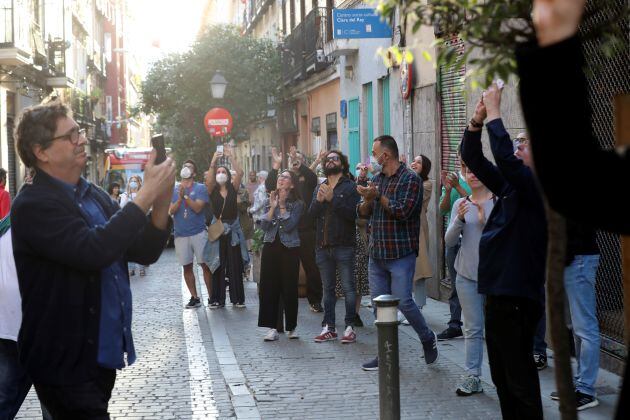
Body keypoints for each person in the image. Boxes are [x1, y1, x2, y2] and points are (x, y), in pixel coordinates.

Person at [10, 101, 175, 418]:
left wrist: (160, 200)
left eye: (79, 132)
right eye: (71, 136)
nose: (82, 140)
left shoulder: (94, 194)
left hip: (99, 355)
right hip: (63, 359)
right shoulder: (33, 204)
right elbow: (93, 250)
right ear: (41, 151)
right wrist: (144, 195)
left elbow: (144, 251)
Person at [515, 0, 622, 412]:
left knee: (586, 326)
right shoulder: (553, 177)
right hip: (567, 260)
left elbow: (576, 184)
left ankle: (587, 387)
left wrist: (552, 42)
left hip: (580, 259)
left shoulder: (563, 177)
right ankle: (580, 383)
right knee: (576, 326)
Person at [461, 88, 547, 419]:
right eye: (518, 141)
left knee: (519, 379)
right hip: (497, 296)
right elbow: (474, 158)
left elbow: (504, 157)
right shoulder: (512, 187)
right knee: (502, 378)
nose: (518, 147)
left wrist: (496, 111)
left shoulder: (536, 187)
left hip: (516, 299)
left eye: (525, 144)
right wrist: (477, 120)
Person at [357, 135, 439, 371]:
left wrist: (377, 197)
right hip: (377, 254)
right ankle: (385, 355)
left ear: (387, 154)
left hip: (401, 253)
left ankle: (426, 337)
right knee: (378, 306)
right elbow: (365, 213)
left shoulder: (410, 179)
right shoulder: (376, 179)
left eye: (375, 153)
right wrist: (365, 200)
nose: (373, 158)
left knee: (403, 301)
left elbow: (403, 211)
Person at [445, 166, 495, 397]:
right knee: (473, 328)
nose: (472, 173)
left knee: (497, 330)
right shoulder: (460, 204)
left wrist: (487, 222)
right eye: (467, 169)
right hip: (466, 275)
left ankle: (503, 377)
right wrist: (459, 220)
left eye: (476, 169)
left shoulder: (499, 201)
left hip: (496, 277)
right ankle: (473, 376)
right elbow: (449, 240)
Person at [309, 150, 361, 344]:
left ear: (342, 163)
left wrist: (334, 199)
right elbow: (310, 215)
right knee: (327, 289)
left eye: (335, 159)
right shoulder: (320, 187)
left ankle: (349, 327)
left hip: (344, 245)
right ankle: (328, 327)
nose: (331, 162)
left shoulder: (350, 187)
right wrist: (319, 201)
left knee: (348, 288)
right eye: (328, 159)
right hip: (322, 246)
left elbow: (353, 214)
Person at [266, 146, 323, 313]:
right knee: (285, 269)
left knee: (311, 266)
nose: (294, 161)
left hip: (305, 231)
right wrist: (276, 165)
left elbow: (312, 178)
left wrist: (301, 166)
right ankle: (284, 301)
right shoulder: (284, 182)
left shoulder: (307, 181)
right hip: (286, 233)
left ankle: (315, 300)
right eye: (292, 159)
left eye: (297, 159)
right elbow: (270, 184)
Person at [258, 170, 304, 341]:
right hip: (271, 246)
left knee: (289, 287)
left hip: (289, 248)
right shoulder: (268, 200)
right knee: (270, 287)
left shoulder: (297, 204)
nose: (281, 179)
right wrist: (272, 207)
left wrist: (283, 205)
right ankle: (272, 328)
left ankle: (291, 327)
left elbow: (290, 225)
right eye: (280, 177)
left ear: (292, 184)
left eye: (285, 177)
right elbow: (263, 226)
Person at [206, 146, 247, 308]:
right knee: (217, 264)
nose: (220, 174)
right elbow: (208, 180)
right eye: (218, 172)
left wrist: (231, 157)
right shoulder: (212, 189)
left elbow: (240, 173)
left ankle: (237, 299)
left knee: (235, 264)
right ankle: (217, 299)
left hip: (233, 229)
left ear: (228, 175)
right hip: (218, 229)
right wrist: (213, 162)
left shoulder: (233, 188)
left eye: (223, 172)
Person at [169, 160, 213, 309]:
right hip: (181, 234)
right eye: (184, 166)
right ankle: (194, 297)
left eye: (189, 168)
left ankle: (212, 297)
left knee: (204, 265)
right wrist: (180, 198)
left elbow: (198, 208)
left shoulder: (200, 188)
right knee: (186, 267)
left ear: (193, 173)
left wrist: (186, 197)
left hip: (198, 232)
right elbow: (171, 211)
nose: (185, 169)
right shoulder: (174, 189)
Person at [436, 157, 469, 340]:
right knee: (455, 284)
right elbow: (442, 209)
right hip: (454, 239)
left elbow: (474, 204)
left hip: (472, 240)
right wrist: (447, 191)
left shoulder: (478, 178)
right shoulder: (453, 177)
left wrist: (457, 186)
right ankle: (455, 323)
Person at [410, 155, 433, 308]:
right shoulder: (411, 179)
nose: (415, 164)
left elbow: (414, 195)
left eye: (419, 162)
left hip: (418, 228)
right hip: (406, 228)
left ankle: (418, 306)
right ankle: (409, 306)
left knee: (419, 269)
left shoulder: (426, 184)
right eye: (414, 161)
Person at [121, 175, 148, 276]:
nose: (133, 183)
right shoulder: (124, 195)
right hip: (128, 224)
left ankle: (141, 268)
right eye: (131, 181)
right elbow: (121, 207)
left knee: (140, 246)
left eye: (135, 181)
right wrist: (127, 197)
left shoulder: (142, 194)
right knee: (130, 246)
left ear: (139, 183)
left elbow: (147, 207)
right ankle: (131, 269)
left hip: (140, 223)